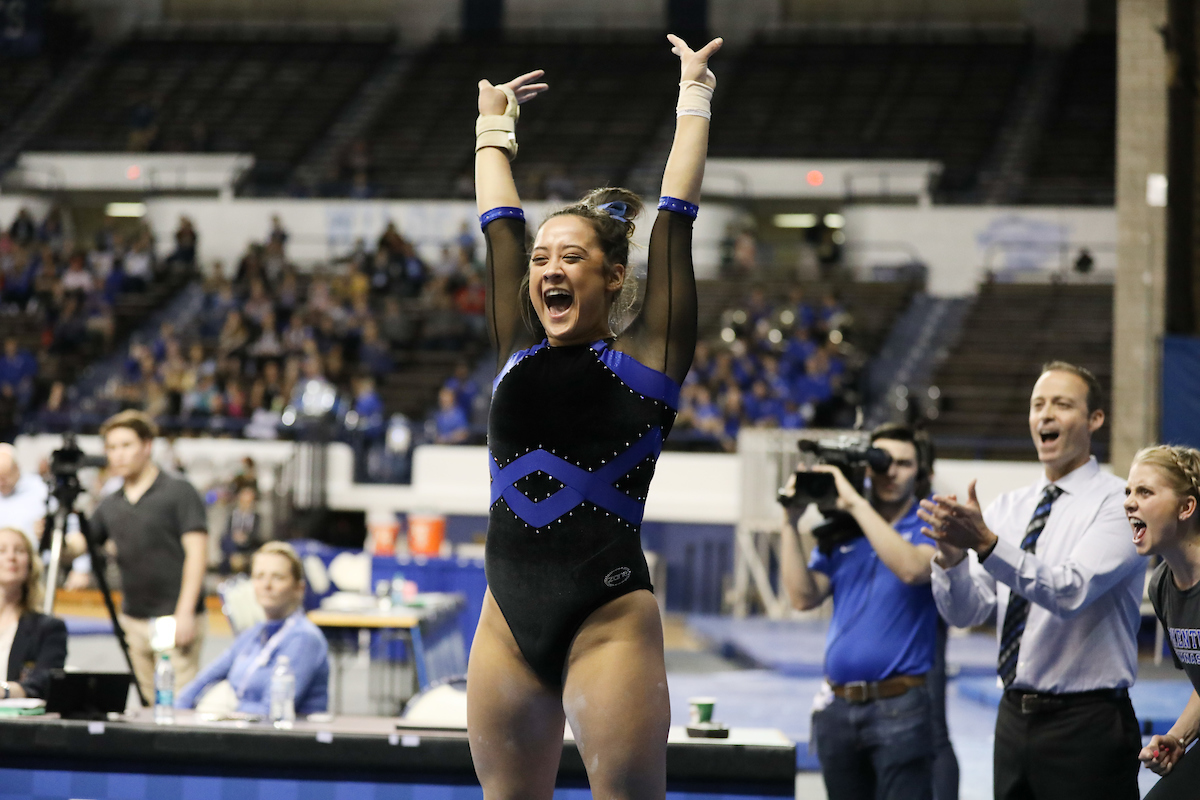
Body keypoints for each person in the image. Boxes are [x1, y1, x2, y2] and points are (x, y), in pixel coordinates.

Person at [466, 33, 718, 799]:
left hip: (607, 616)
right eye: (543, 260)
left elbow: (674, 219)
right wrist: (492, 126)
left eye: (570, 258)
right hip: (504, 620)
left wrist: (694, 95)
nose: (547, 269)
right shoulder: (517, 347)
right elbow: (499, 227)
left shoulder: (648, 360)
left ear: (612, 277)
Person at [919, 362, 1143, 800]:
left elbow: (1069, 590)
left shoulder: (1119, 503)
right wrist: (950, 562)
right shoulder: (1009, 507)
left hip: (1087, 723)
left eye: (1062, 404)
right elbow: (968, 611)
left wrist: (985, 544)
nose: (1045, 415)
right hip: (1013, 718)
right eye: (1038, 404)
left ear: (1095, 419)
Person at [779, 424, 953, 800]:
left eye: (904, 464)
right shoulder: (843, 531)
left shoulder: (931, 521)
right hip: (838, 708)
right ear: (866, 468)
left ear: (920, 472)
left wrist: (857, 505)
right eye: (881, 463)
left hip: (901, 707)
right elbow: (803, 597)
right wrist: (790, 524)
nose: (891, 472)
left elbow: (912, 569)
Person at [87, 410, 209, 703]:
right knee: (145, 705)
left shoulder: (179, 491)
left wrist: (185, 612)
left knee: (177, 704)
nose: (118, 455)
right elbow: (83, 542)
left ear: (147, 446)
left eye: (126, 445)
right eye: (112, 448)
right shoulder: (110, 504)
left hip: (173, 614)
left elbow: (197, 554)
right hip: (133, 618)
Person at [1123, 446, 1200, 798]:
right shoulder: (1162, 586)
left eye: (1144, 492)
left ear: (1186, 508)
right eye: (1128, 492)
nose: (1128, 503)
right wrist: (1179, 737)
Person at [178, 542, 329, 716]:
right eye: (259, 576)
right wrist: (177, 712)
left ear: (298, 588)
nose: (266, 585)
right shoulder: (254, 633)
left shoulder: (305, 638)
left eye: (278, 577)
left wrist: (225, 712)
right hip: (245, 731)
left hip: (283, 737)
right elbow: (201, 682)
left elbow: (273, 711)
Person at [0, 527, 67, 700]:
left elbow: (44, 682)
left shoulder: (49, 628)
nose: (11, 557)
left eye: (20, 551)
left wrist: (5, 691)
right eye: (2, 550)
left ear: (30, 563)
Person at [219, 485, 263, 575]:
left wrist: (246, 538)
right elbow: (226, 533)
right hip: (232, 547)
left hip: (248, 547)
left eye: (249, 501)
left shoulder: (257, 517)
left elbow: (258, 536)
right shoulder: (232, 516)